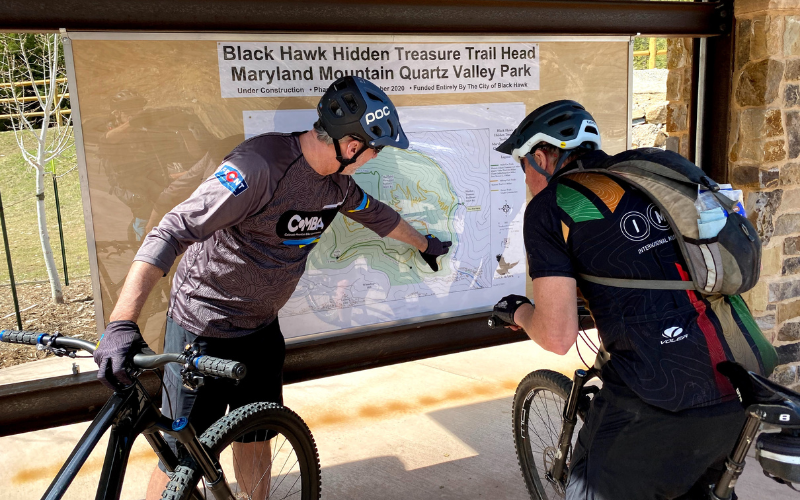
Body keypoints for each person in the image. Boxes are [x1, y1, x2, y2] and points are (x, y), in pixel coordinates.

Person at [93, 76, 452, 499]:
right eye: (376, 150)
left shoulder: (337, 185)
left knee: (256, 434)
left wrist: (426, 244)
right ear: (352, 145)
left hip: (261, 329)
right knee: (180, 458)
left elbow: (377, 215)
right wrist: (121, 322)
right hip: (203, 331)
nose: (374, 159)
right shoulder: (259, 166)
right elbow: (172, 230)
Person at [492, 100, 777, 499]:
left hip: (659, 396)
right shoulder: (650, 169)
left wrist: (519, 312)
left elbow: (557, 337)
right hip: (744, 376)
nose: (527, 180)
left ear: (541, 156)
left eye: (524, 167)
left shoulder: (550, 206)